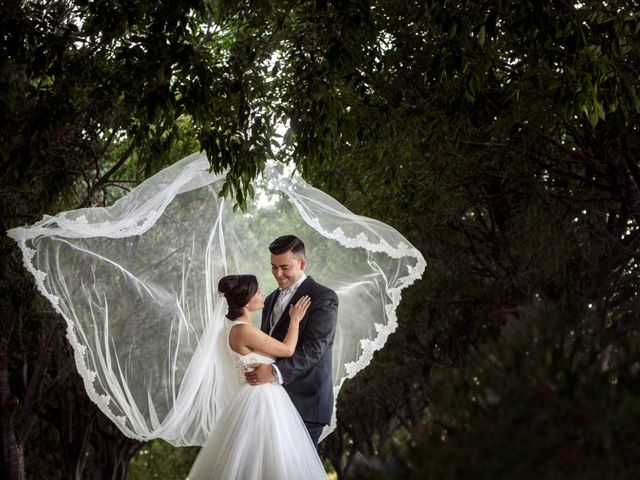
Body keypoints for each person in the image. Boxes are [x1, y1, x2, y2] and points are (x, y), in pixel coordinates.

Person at [187, 274, 327, 480]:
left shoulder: (232, 328)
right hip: (262, 401)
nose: (263, 293)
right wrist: (295, 320)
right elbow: (287, 350)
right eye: (257, 290)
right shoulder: (243, 330)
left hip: (253, 397)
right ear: (245, 299)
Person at [245, 235, 339, 445]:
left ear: (302, 263)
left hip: (307, 403)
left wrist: (274, 372)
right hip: (274, 401)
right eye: (273, 267)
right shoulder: (269, 300)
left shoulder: (324, 297)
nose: (278, 274)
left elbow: (316, 348)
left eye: (284, 267)